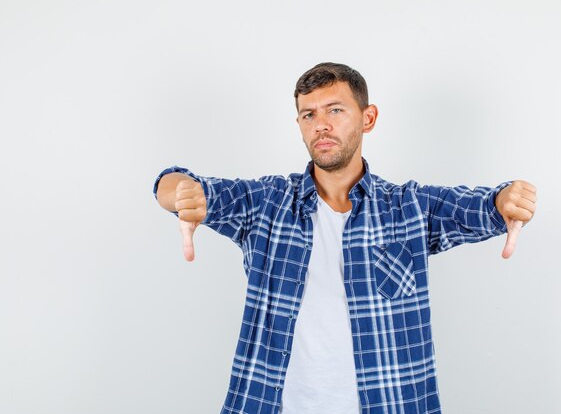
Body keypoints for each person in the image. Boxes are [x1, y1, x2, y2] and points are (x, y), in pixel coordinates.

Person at [153, 62, 537, 414]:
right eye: (309, 114)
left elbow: (483, 206)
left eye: (335, 110)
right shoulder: (265, 204)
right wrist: (182, 192)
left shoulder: (410, 207)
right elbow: (174, 184)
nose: (321, 124)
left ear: (367, 118)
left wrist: (507, 199)